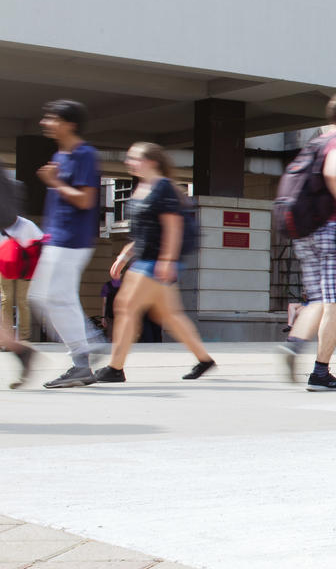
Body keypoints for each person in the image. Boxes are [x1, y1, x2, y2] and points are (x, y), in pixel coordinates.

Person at [94, 143, 215, 383]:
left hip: (155, 262)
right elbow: (141, 233)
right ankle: (204, 360)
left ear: (152, 161)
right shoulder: (142, 188)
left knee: (125, 308)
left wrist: (167, 260)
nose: (129, 162)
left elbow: (173, 226)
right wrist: (123, 256)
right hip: (147, 259)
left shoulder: (164, 188)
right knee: (170, 316)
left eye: (134, 158)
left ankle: (115, 368)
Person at [282, 92, 336, 391]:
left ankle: (294, 344)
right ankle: (320, 371)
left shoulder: (316, 141)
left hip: (306, 230)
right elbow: (334, 173)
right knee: (334, 303)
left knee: (318, 298)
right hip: (333, 229)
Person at [29, 99, 103, 388]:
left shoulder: (84, 154)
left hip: (73, 239)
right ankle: (87, 351)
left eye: (51, 118)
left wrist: (54, 182)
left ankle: (83, 358)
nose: (44, 122)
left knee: (52, 298)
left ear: (69, 123)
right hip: (58, 237)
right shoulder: (61, 155)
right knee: (48, 298)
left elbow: (85, 200)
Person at [1, 212, 42, 343]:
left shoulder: (26, 224)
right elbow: (41, 240)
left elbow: (40, 242)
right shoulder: (26, 224)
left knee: (20, 300)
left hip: (23, 266)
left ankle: (24, 337)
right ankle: (8, 339)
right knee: (7, 300)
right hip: (6, 265)